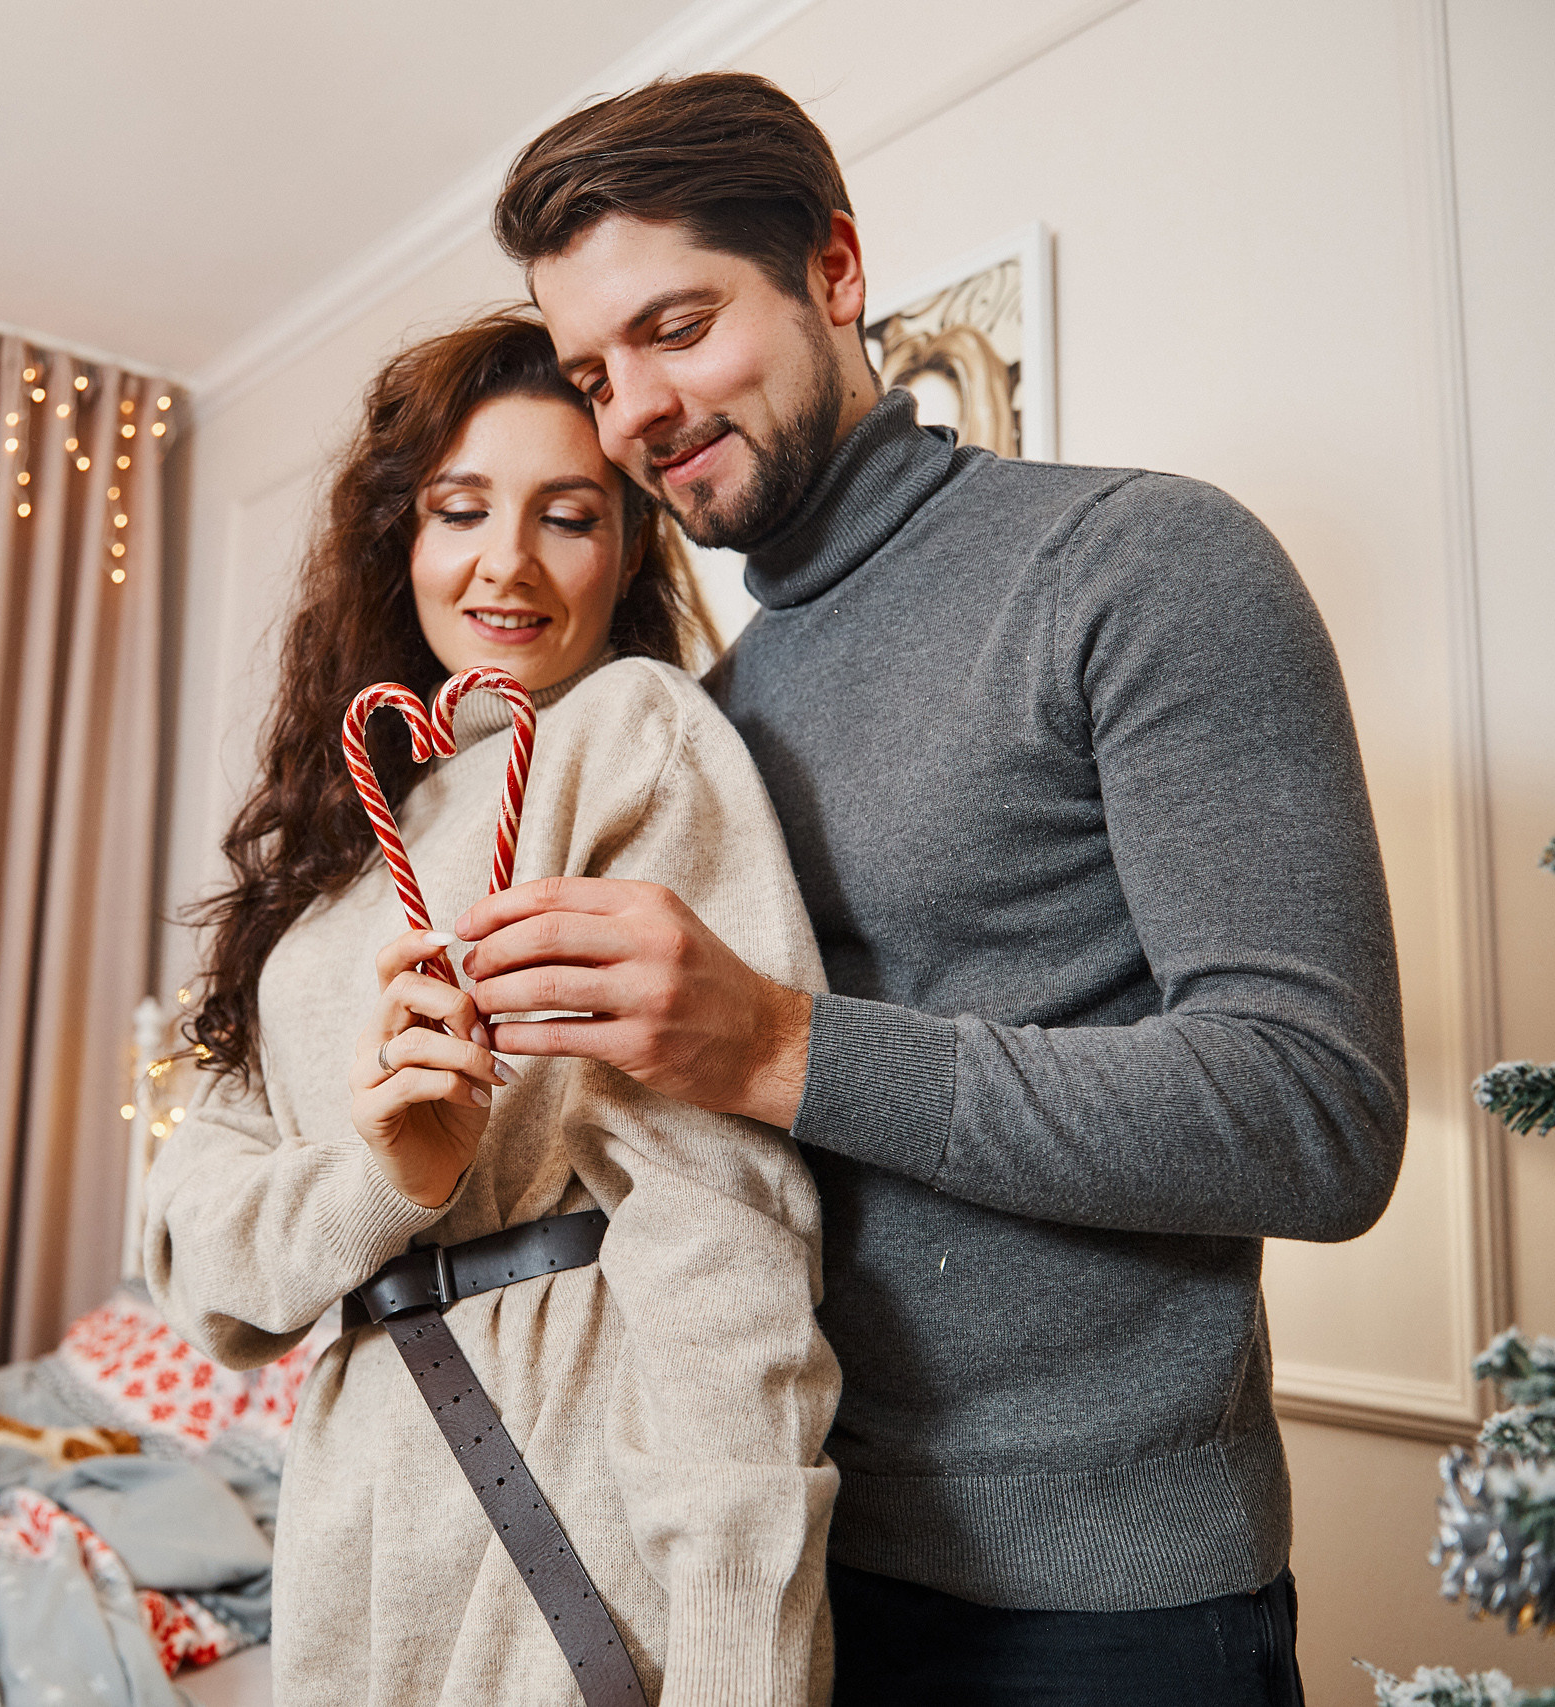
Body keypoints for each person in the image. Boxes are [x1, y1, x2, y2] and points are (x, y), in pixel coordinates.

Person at [453, 72, 1408, 1706]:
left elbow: (1315, 1114)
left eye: (678, 328)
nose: (636, 415)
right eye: (597, 374)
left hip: (1106, 1614)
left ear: (834, 270)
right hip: (782, 1574)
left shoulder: (1140, 565)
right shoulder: (700, 721)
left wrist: (775, 1044)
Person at [144, 311, 840, 1706]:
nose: (505, 562)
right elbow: (202, 1263)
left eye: (567, 516)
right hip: (351, 1529)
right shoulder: (327, 848)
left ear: (629, 548)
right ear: (400, 538)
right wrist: (382, 1180)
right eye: (460, 510)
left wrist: (736, 1663)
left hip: (571, 1507)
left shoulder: (631, 738)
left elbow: (723, 1238)